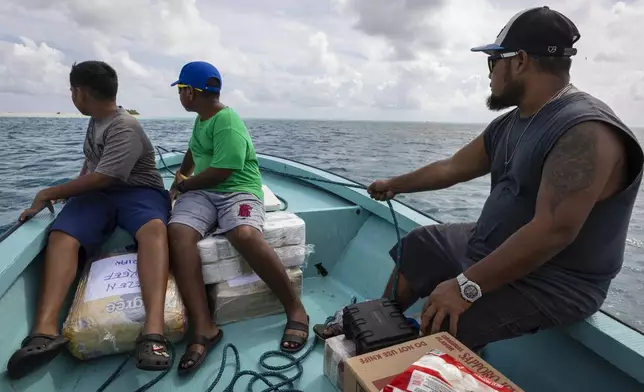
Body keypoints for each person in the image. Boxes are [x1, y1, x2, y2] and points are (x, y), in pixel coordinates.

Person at [314, 6, 644, 352]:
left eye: (492, 61)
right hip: (488, 243)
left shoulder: (585, 132)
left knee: (449, 318)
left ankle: (417, 362)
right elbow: (452, 168)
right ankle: (378, 323)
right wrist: (395, 183)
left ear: (519, 62)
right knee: (419, 245)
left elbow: (554, 230)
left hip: (555, 280)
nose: (488, 74)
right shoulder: (513, 121)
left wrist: (466, 286)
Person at [6, 61, 173, 379]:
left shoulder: (124, 126)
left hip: (139, 191)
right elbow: (92, 166)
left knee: (153, 230)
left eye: (71, 90)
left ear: (79, 92)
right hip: (100, 194)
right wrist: (65, 196)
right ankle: (43, 332)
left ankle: (153, 332)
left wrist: (48, 192)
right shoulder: (96, 120)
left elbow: (104, 176)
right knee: (62, 235)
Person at [167, 61, 310, 375]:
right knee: (178, 231)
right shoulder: (202, 119)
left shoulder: (227, 120)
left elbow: (224, 171)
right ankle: (205, 328)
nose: (180, 95)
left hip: (236, 189)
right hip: (203, 192)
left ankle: (296, 309)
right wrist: (178, 184)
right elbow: (193, 153)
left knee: (244, 234)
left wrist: (184, 185)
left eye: (180, 89)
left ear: (190, 92)